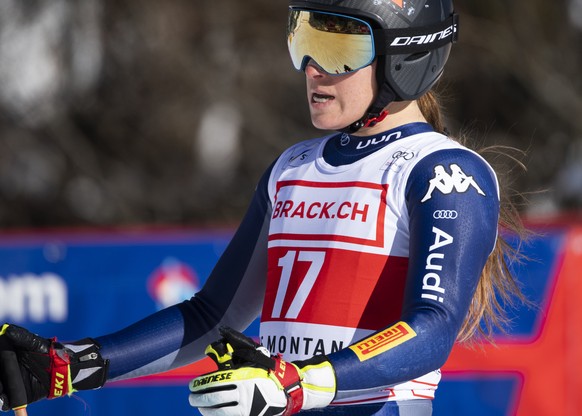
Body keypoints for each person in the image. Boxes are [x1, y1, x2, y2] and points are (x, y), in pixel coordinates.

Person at [0, 0, 529, 415]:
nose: (312, 69)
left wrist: (300, 380)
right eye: (304, 39)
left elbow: (433, 327)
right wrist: (70, 366)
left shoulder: (442, 172)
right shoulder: (293, 166)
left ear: (405, 57)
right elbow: (212, 316)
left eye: (339, 49)